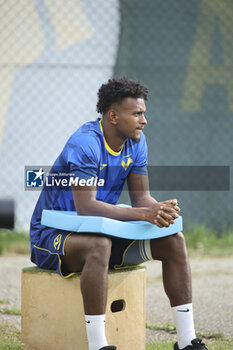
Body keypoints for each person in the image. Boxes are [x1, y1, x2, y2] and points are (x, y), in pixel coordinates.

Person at [30, 77, 208, 350]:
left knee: (174, 241)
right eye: (137, 113)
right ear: (113, 116)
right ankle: (99, 346)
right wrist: (143, 214)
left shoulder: (136, 141)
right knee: (99, 245)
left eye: (143, 113)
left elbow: (141, 199)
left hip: (101, 234)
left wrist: (158, 211)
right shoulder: (86, 143)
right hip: (52, 236)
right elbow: (86, 207)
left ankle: (187, 342)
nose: (143, 120)